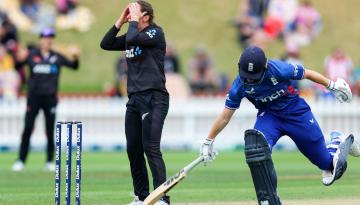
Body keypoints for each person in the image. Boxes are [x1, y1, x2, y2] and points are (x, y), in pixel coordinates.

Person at [199, 46, 359, 204]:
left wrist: (332, 85)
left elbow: (307, 74)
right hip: (269, 117)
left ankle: (337, 140)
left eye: (254, 76)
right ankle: (269, 200)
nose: (249, 79)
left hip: (296, 113)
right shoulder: (239, 85)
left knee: (328, 165)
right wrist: (208, 140)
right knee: (256, 149)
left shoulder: (278, 69)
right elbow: (225, 116)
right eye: (247, 75)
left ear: (265, 66)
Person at [100, 1, 170, 205]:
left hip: (154, 98)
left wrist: (132, 21)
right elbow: (105, 43)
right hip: (134, 99)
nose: (130, 14)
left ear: (146, 16)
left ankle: (162, 198)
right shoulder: (132, 35)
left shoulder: (155, 33)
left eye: (134, 11)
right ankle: (141, 197)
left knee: (151, 147)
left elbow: (133, 37)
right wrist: (120, 21)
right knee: (133, 149)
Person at [12, 28, 80, 172]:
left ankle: (49, 161)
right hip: (34, 98)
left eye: (50, 37)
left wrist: (76, 57)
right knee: (28, 129)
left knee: (49, 131)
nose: (48, 40)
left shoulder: (57, 57)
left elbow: (74, 67)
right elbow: (16, 65)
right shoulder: (31, 55)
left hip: (50, 98)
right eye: (45, 37)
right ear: (41, 39)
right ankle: (21, 160)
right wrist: (18, 56)